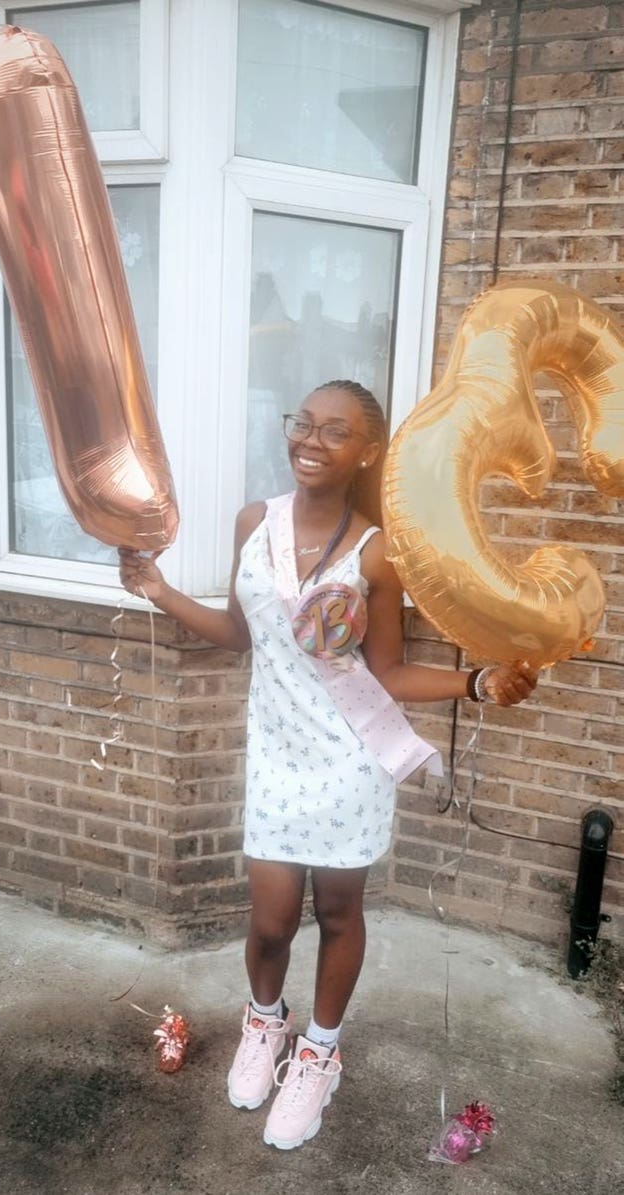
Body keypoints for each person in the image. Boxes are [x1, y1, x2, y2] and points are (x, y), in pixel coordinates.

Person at [119, 380, 537, 1152]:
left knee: (339, 914)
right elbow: (243, 632)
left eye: (334, 431)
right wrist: (158, 588)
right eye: (302, 423)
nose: (310, 440)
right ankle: (264, 1024)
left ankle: (318, 1051)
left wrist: (476, 682)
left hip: (349, 761)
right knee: (271, 921)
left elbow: (388, 671)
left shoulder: (378, 551)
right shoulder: (256, 521)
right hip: (276, 758)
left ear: (366, 450)